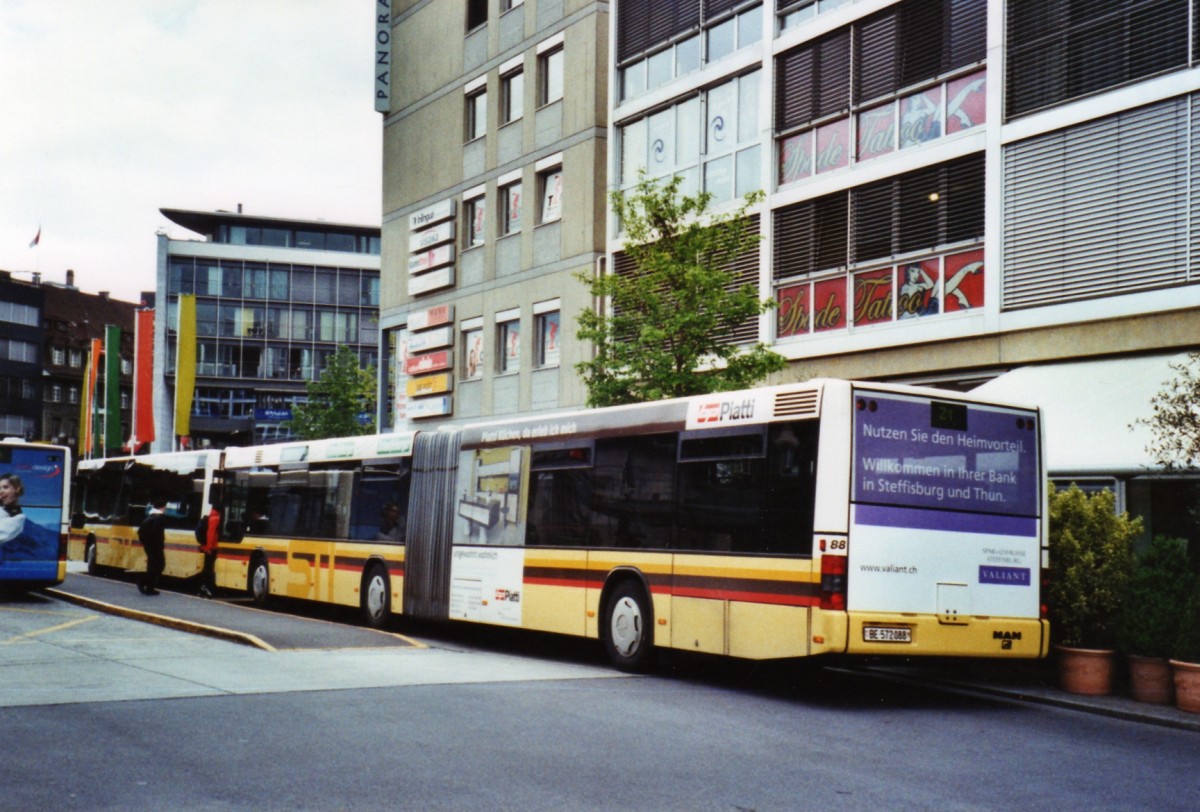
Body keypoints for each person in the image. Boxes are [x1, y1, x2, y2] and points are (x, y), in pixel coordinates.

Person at [138, 497, 167, 595]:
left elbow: (140, 532)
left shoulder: (149, 517)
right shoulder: (159, 518)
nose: (165, 509)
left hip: (149, 546)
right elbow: (157, 533)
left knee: (152, 566)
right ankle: (145, 583)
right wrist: (158, 545)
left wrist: (146, 544)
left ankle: (148, 587)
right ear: (162, 508)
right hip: (156, 547)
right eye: (165, 508)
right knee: (160, 565)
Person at [197, 501, 220, 598]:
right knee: (209, 569)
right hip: (211, 548)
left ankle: (203, 589)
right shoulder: (215, 519)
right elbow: (210, 534)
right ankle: (206, 588)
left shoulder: (210, 516)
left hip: (207, 547)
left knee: (207, 569)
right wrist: (209, 547)